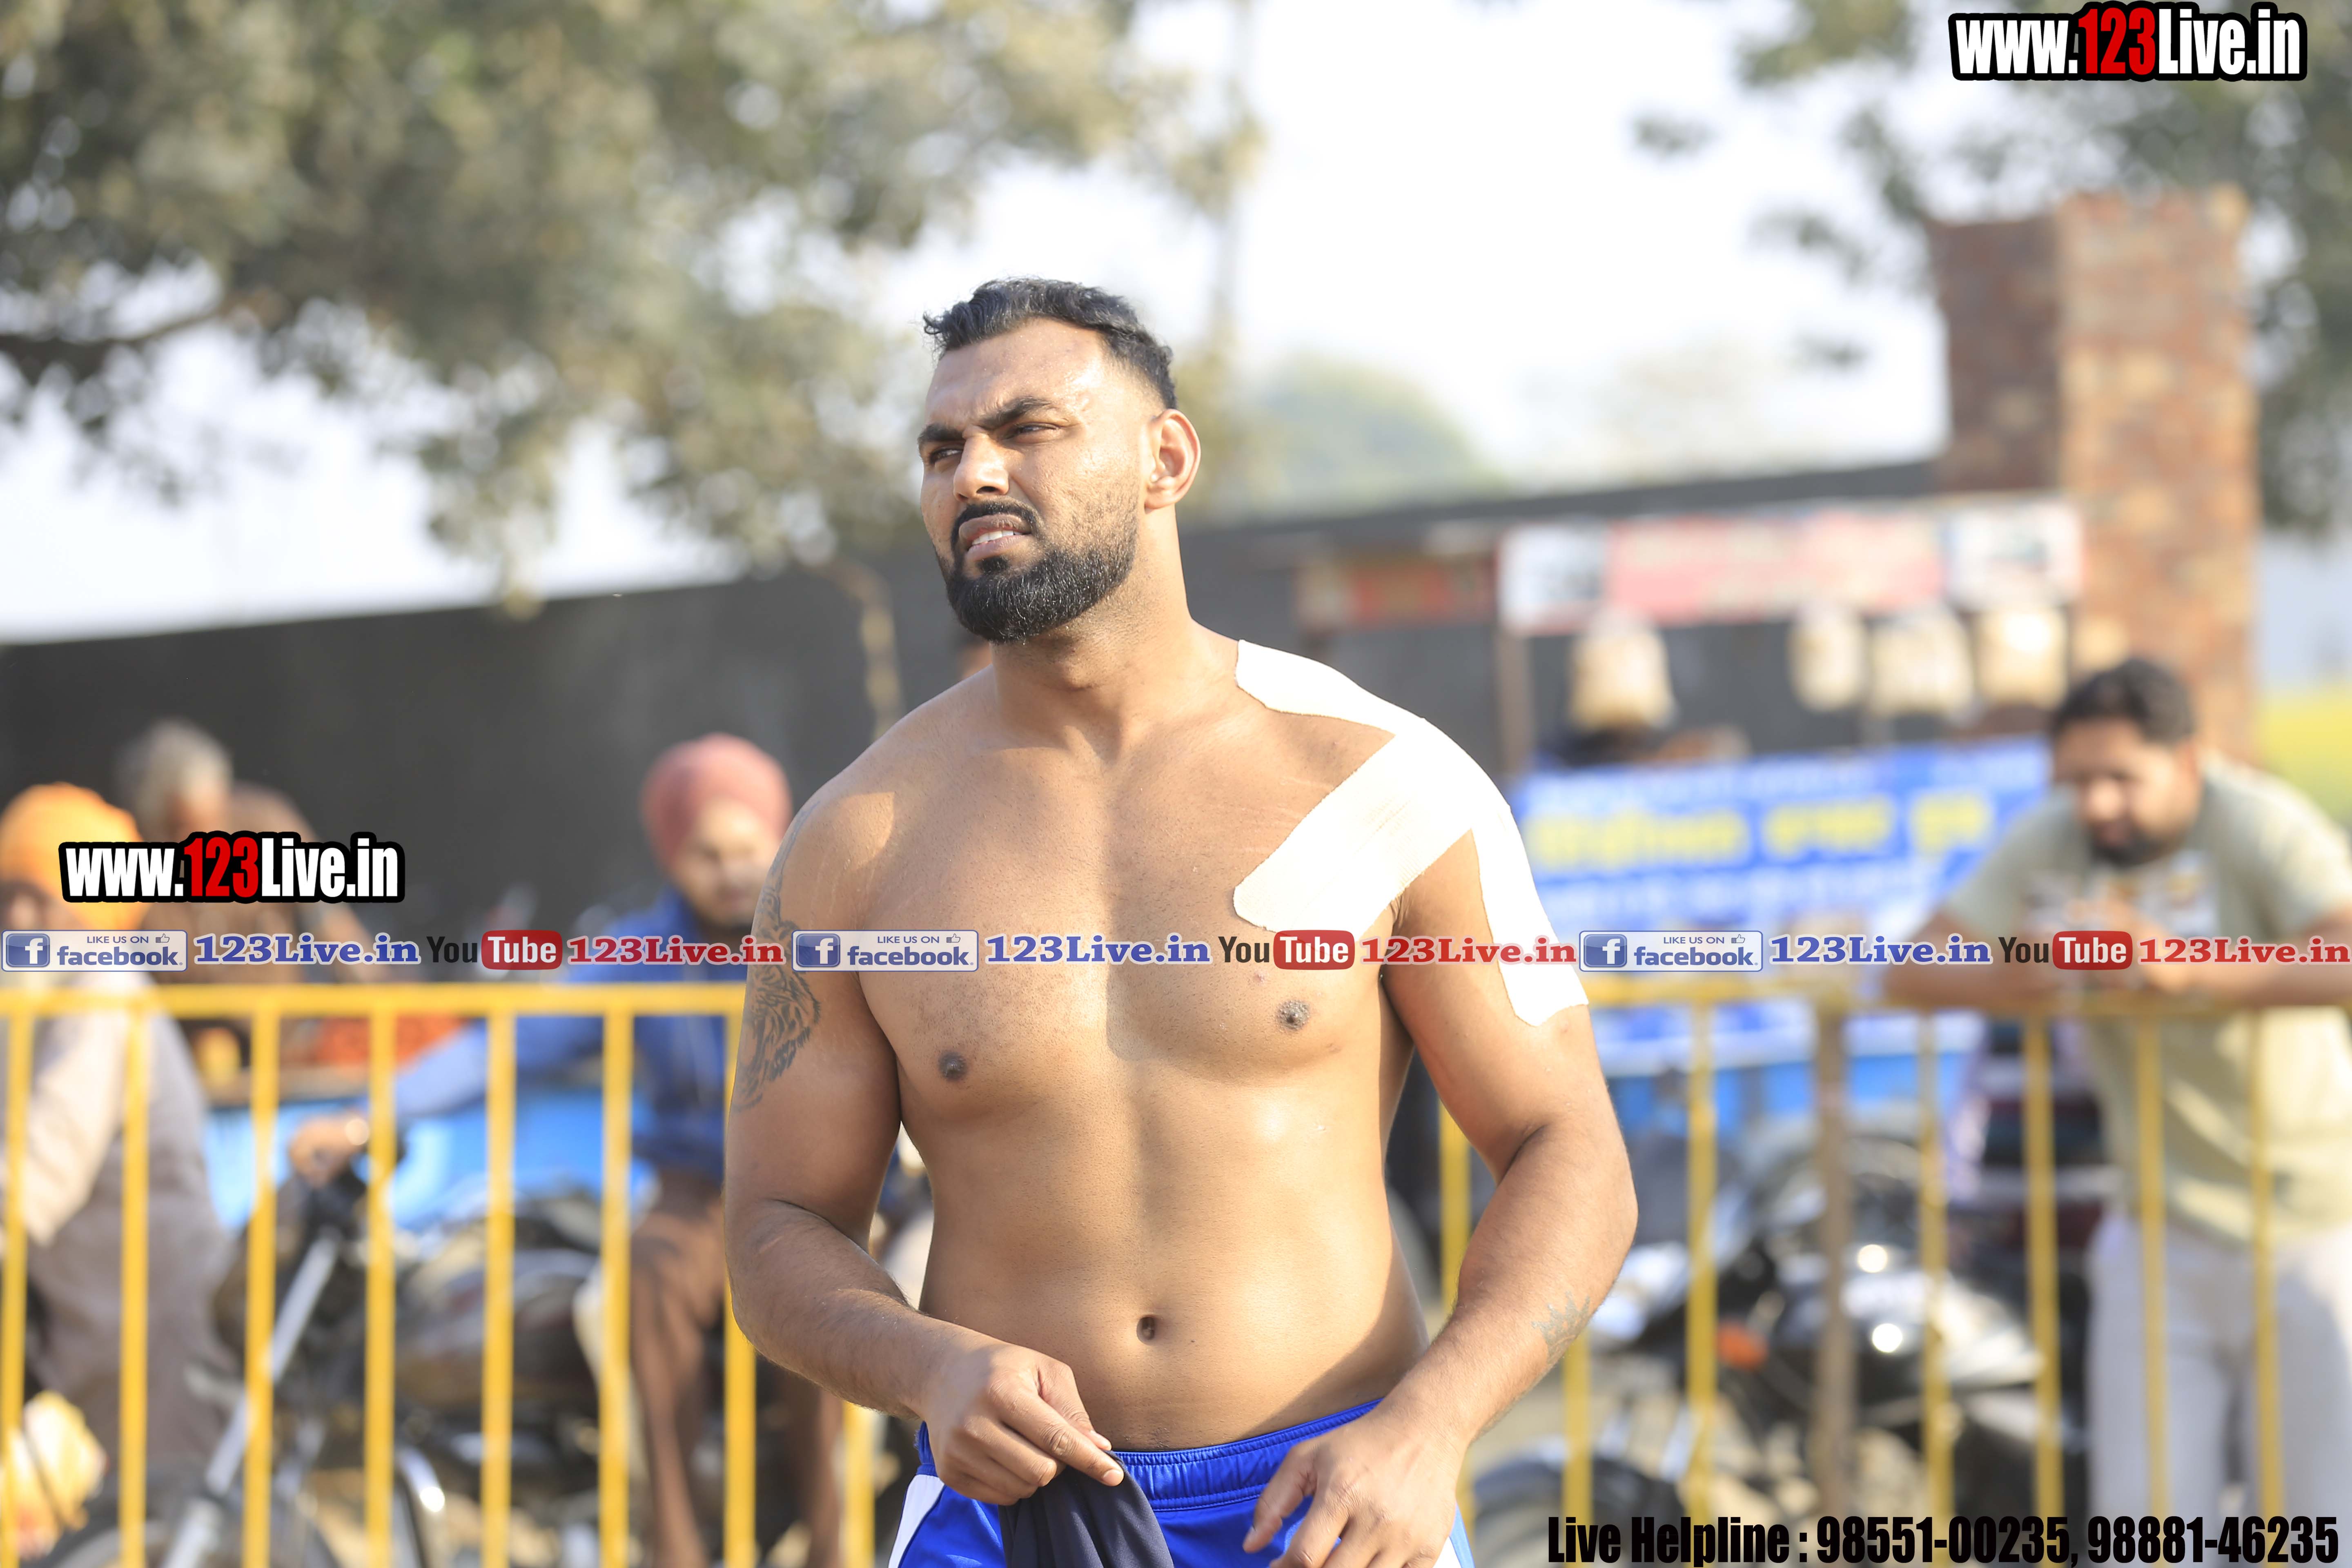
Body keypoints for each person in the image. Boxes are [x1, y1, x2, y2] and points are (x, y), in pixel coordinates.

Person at [724, 279, 1637, 1568]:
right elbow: (777, 1229)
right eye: (941, 449)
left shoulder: (1380, 783)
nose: (973, 473)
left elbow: (1568, 1144)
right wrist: (928, 1367)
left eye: (1027, 429)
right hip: (1013, 1521)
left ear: (1167, 459)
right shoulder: (855, 844)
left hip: (1334, 1508)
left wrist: (1430, 1427)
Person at [291, 735, 840, 1568]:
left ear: (782, 836)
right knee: (649, 1280)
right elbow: (505, 1045)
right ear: (671, 857)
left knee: (821, 1298)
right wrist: (368, 1117)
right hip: (698, 1198)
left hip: (820, 1193)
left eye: (748, 847)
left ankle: (839, 1545)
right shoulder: (639, 952)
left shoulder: (829, 938)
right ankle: (675, 1547)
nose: (732, 871)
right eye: (707, 853)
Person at [1884, 657, 2352, 1518]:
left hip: (2310, 1220)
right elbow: (1911, 968)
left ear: (2189, 763)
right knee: (2145, 1523)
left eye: (2121, 779)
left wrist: (2192, 967)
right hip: (2153, 1220)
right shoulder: (2057, 837)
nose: (2097, 803)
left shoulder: (2256, 821)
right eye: (2076, 780)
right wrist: (2013, 976)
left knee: (2317, 1519)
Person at [0, 785, 236, 1484]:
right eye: (9, 896)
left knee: (192, 1519)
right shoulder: (31, 997)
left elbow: (42, 1164)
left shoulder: (103, 994)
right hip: (92, 1332)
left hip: (162, 1331)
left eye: (40, 900)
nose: (19, 919)